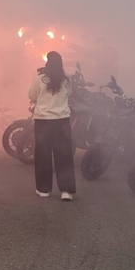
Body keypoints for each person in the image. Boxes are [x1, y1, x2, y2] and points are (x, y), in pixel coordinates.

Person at [28, 52, 76, 202]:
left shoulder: (40, 79)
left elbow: (32, 96)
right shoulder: (66, 81)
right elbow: (69, 94)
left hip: (43, 122)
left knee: (43, 155)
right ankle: (66, 191)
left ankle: (44, 190)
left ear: (47, 63)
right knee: (64, 155)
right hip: (61, 121)